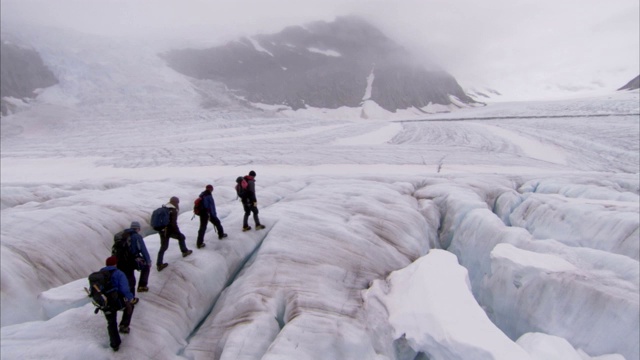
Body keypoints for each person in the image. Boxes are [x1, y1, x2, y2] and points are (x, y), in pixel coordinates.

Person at [101, 256, 138, 352]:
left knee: (111, 322)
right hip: (117, 301)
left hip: (105, 302)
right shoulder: (119, 273)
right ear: (115, 264)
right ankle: (124, 326)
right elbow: (125, 289)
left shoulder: (100, 274)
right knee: (130, 306)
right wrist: (131, 298)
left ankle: (115, 344)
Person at [156, 196, 192, 271]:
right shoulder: (173, 210)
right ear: (176, 202)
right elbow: (173, 224)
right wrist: (178, 232)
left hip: (162, 230)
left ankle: (159, 264)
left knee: (163, 246)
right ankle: (184, 252)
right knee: (181, 237)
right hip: (169, 231)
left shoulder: (164, 208)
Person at [128, 221, 151, 293]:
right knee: (146, 266)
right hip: (133, 258)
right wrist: (148, 261)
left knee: (129, 276)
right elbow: (143, 249)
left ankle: (129, 296)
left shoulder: (124, 235)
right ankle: (142, 286)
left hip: (123, 259)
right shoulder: (136, 236)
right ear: (137, 228)